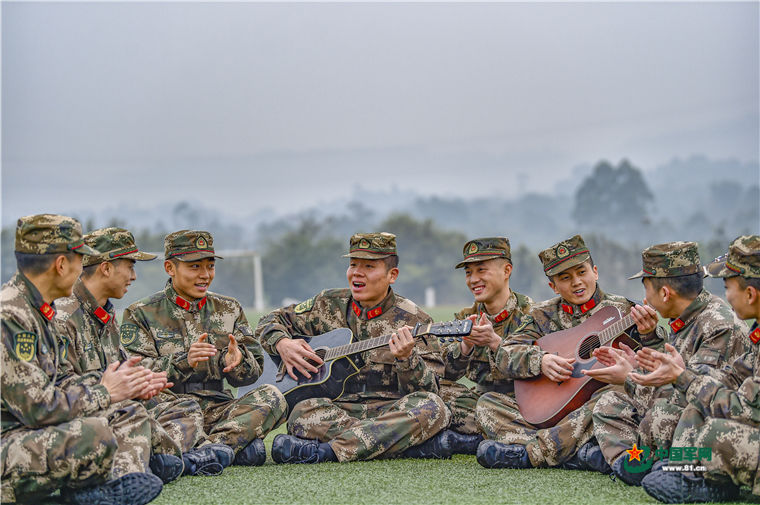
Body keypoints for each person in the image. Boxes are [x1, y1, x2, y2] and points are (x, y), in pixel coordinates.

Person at [1, 214, 163, 505]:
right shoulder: (11, 315)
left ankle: (106, 487)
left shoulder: (37, 310)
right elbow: (37, 409)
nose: (82, 269)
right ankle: (91, 493)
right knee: (94, 433)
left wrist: (120, 386)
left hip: (26, 434)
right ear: (62, 264)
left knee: (121, 413)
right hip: (9, 443)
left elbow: (60, 382)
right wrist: (105, 391)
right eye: (80, 260)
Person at [256, 232, 453, 464]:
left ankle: (328, 452)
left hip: (390, 410)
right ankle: (400, 446)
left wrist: (407, 359)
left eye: (369, 266)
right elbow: (268, 321)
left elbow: (429, 389)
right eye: (353, 265)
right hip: (341, 410)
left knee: (433, 408)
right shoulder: (326, 304)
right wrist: (282, 343)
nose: (357, 273)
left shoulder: (417, 321)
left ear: (392, 275)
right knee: (301, 412)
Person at [475, 234, 663, 470]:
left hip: (594, 411)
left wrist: (649, 335)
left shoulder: (624, 311)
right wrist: (540, 361)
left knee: (610, 397)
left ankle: (532, 454)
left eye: (582, 272)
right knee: (487, 404)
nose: (576, 282)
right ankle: (578, 454)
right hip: (551, 409)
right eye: (565, 277)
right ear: (553, 286)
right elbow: (505, 354)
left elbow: (657, 365)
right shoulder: (540, 315)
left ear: (595, 271)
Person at [56, 227, 229, 478]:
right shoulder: (64, 317)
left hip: (118, 405)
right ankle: (168, 458)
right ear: (106, 268)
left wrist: (141, 382)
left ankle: (166, 456)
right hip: (87, 413)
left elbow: (126, 368)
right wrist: (115, 388)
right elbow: (58, 389)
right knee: (133, 417)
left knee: (182, 408)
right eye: (130, 266)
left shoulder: (104, 315)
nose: (134, 276)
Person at [120, 230, 287, 467]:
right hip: (171, 409)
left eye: (210, 266)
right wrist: (183, 361)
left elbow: (254, 372)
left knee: (273, 397)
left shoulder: (229, 309)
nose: (205, 275)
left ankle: (208, 448)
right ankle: (232, 447)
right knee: (252, 452)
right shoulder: (141, 313)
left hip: (219, 409)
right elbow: (136, 372)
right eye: (195, 267)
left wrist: (238, 362)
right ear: (170, 268)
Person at [590, 241, 749, 486]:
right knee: (609, 403)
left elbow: (691, 399)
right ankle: (629, 463)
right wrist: (649, 342)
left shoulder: (719, 326)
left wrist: (630, 378)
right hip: (680, 406)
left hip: (705, 418)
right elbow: (670, 375)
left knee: (662, 417)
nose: (645, 298)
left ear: (664, 293)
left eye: (647, 288)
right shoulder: (685, 316)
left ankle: (649, 462)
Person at [637, 235, 760, 503]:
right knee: (696, 408)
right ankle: (686, 472)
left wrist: (683, 378)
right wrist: (684, 377)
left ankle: (704, 480)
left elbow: (743, 410)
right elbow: (733, 376)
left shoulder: (719, 323)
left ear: (750, 294)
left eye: (728, 287)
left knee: (716, 434)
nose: (725, 296)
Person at [439, 237, 533, 454]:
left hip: (520, 405)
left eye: (481, 270)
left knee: (488, 407)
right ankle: (496, 435)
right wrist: (465, 347)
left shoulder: (532, 315)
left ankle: (475, 439)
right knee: (435, 395)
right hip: (478, 402)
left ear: (507, 270)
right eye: (468, 273)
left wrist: (495, 343)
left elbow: (539, 368)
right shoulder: (465, 318)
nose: (473, 279)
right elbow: (447, 374)